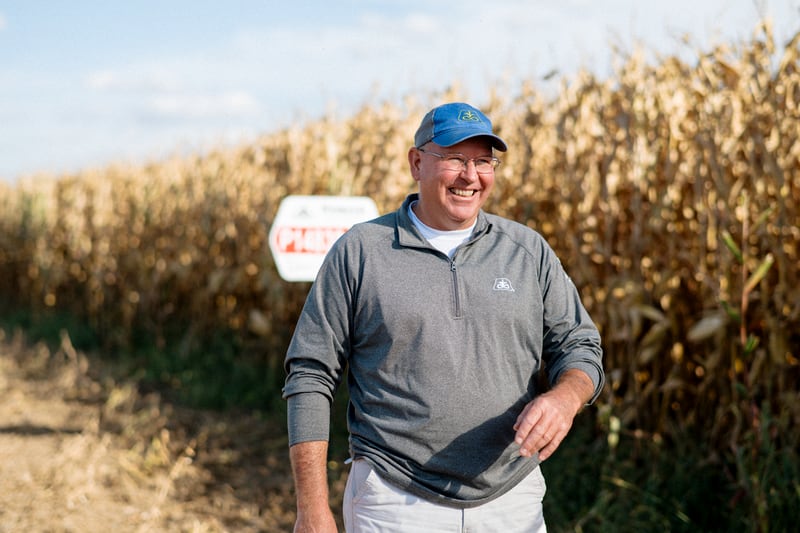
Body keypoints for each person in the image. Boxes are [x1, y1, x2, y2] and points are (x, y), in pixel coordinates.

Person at [283, 102, 605, 532]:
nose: (470, 176)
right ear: (417, 163)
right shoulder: (361, 252)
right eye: (454, 158)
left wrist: (566, 397)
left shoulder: (527, 252)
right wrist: (311, 508)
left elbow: (580, 346)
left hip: (511, 500)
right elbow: (309, 374)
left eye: (483, 161)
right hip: (394, 501)